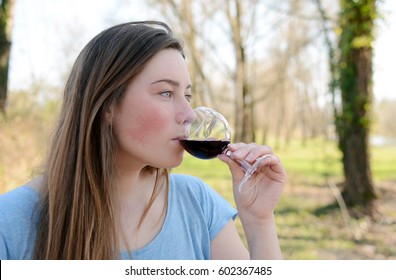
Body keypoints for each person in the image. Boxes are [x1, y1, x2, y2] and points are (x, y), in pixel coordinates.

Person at [0, 21, 286, 260]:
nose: (188, 114)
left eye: (187, 95)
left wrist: (259, 220)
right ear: (107, 105)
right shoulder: (10, 223)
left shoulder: (197, 204)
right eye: (165, 93)